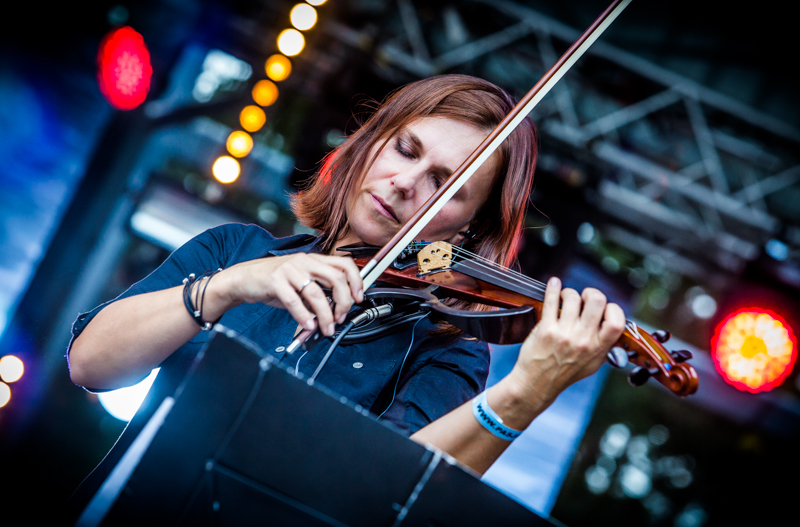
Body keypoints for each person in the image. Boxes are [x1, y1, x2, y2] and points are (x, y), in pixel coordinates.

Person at [67, 74, 625, 503]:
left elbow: (385, 497)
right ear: (370, 144)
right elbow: (91, 365)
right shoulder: (233, 250)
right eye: (406, 150)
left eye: (444, 185)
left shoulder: (446, 346)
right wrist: (230, 287)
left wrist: (524, 393)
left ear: (467, 228)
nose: (407, 184)